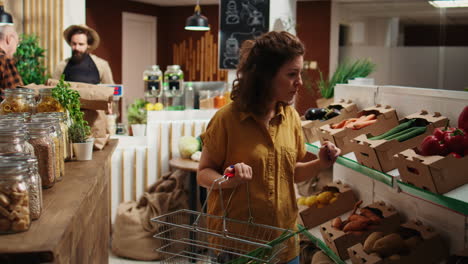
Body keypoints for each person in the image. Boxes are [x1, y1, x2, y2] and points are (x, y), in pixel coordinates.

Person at [197, 31, 341, 264]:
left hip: (283, 243)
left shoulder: (291, 117)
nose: (300, 82)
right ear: (265, 77)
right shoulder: (227, 119)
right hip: (238, 245)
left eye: (300, 73)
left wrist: (320, 163)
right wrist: (228, 179)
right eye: (292, 74)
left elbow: (290, 172)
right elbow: (203, 173)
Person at [0, 25, 23, 99]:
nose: (16, 49)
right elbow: (17, 95)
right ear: (9, 39)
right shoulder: (4, 59)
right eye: (17, 43)